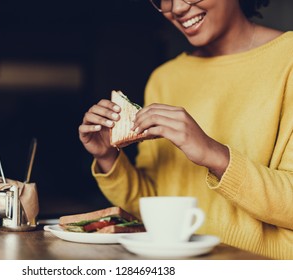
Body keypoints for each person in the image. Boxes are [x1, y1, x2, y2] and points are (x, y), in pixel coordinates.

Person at [78, 0, 293, 259]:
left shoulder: (287, 60)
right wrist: (107, 157)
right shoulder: (165, 78)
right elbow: (152, 205)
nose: (177, 8)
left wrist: (213, 154)